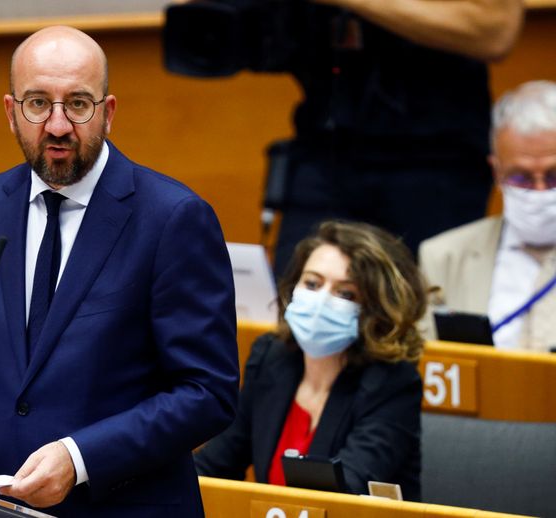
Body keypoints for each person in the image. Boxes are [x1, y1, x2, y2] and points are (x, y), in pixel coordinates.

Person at [0, 26, 240, 517]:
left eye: (77, 104)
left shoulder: (172, 218)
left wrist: (80, 458)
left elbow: (207, 392)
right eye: (37, 104)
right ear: (11, 113)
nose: (56, 125)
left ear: (108, 112)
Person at [270, 0, 524, 276]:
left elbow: (496, 31)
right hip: (325, 148)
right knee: (296, 301)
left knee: (428, 305)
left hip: (433, 162)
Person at [195, 220, 426, 500]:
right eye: (313, 283)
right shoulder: (272, 358)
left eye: (345, 293)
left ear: (376, 310)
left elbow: (345, 490)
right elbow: (215, 464)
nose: (321, 301)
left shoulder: (392, 382)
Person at [419, 80, 556, 352]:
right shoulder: (443, 258)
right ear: (496, 172)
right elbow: (427, 366)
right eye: (522, 177)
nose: (540, 190)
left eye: (554, 175)